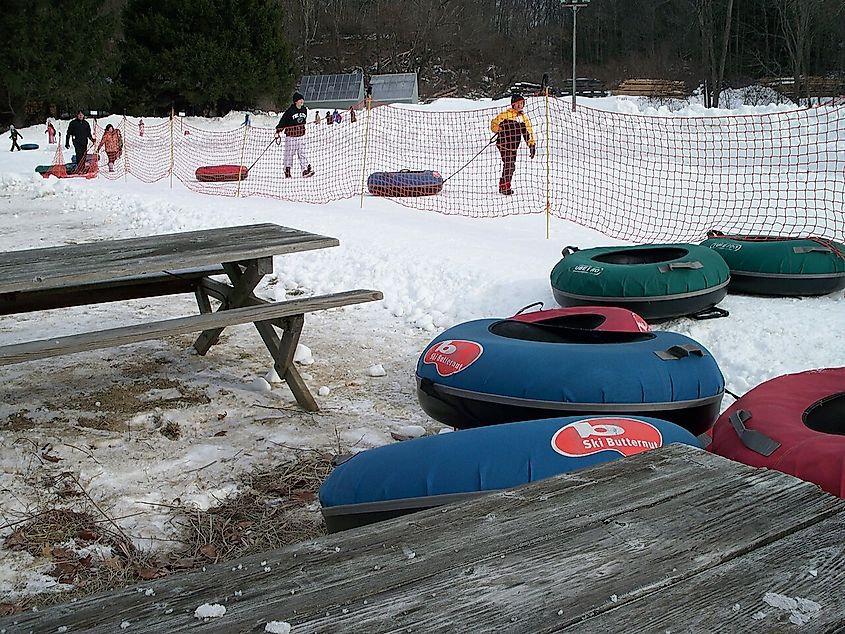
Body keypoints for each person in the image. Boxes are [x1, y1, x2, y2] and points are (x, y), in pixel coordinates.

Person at [489, 94, 536, 195]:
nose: (520, 105)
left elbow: (528, 132)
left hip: (514, 146)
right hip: (503, 144)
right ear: (513, 104)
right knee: (509, 164)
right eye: (518, 103)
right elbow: (493, 125)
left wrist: (531, 145)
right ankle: (505, 186)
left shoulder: (523, 119)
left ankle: (503, 185)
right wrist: (500, 129)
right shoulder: (505, 115)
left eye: (522, 103)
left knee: (510, 166)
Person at [275, 91, 313, 178]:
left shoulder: (304, 110)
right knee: (289, 153)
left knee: (302, 153)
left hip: (301, 135)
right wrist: (278, 130)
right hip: (291, 136)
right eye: (300, 100)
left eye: (302, 100)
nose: (302, 101)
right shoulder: (290, 111)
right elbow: (283, 121)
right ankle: (287, 169)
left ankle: (305, 170)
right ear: (296, 101)